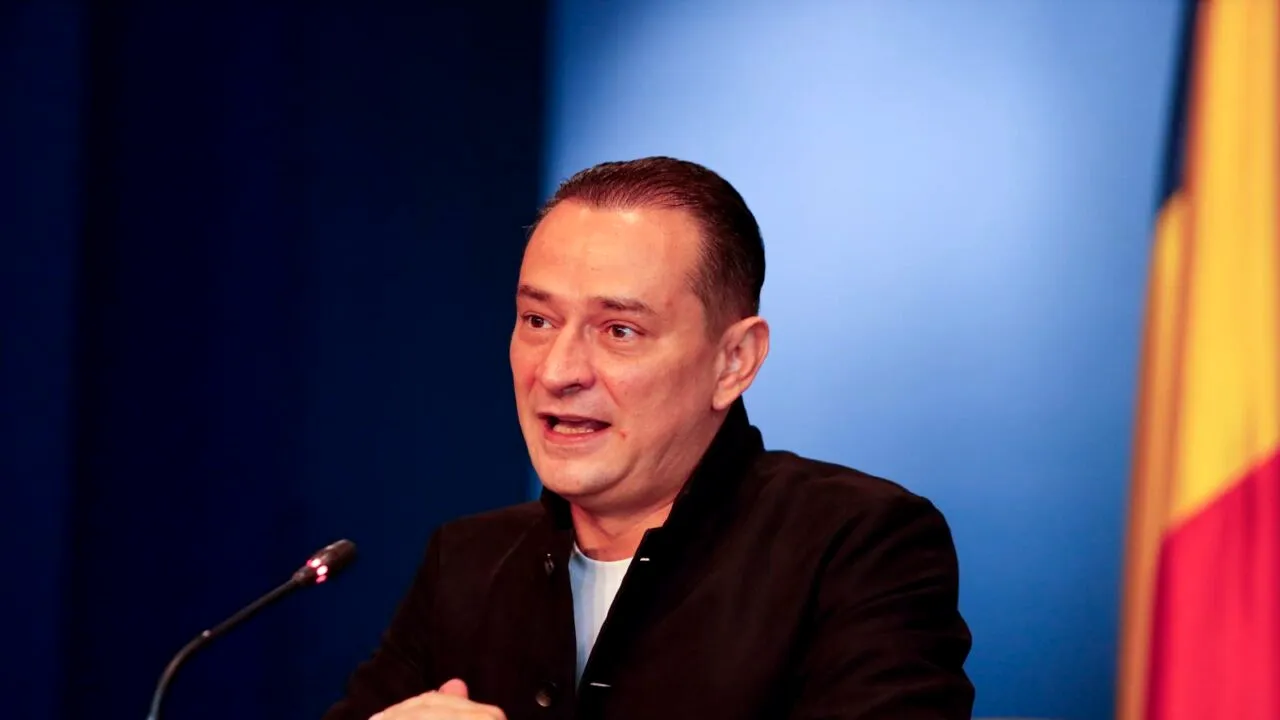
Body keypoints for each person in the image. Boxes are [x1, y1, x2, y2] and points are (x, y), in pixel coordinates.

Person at [323, 157, 973, 720]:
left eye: (620, 331)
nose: (558, 371)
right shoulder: (467, 563)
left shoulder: (855, 546)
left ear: (735, 361)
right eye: (538, 320)